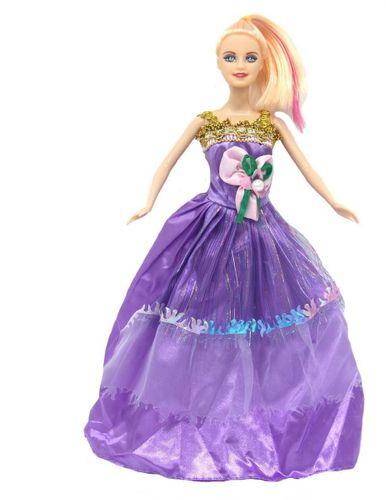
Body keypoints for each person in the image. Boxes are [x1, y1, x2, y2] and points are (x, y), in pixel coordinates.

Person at [84, 13, 364, 481]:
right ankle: (199, 415)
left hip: (263, 236)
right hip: (210, 235)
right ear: (217, 62)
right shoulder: (206, 121)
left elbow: (308, 169)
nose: (240, 64)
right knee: (203, 321)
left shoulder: (272, 124)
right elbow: (165, 164)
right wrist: (147, 202)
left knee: (266, 324)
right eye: (231, 56)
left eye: (250, 57)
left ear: (263, 65)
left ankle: (260, 423)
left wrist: (334, 201)